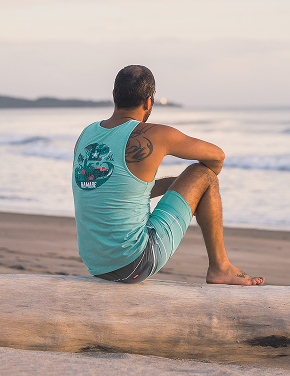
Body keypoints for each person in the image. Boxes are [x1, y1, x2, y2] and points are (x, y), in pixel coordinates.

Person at [72, 65, 265, 286]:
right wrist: (203, 185)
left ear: (114, 94)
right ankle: (220, 267)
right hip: (134, 263)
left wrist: (179, 185)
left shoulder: (87, 135)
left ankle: (220, 265)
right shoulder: (156, 135)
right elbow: (217, 158)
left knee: (195, 181)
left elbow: (119, 188)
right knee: (204, 175)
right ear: (149, 100)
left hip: (95, 264)